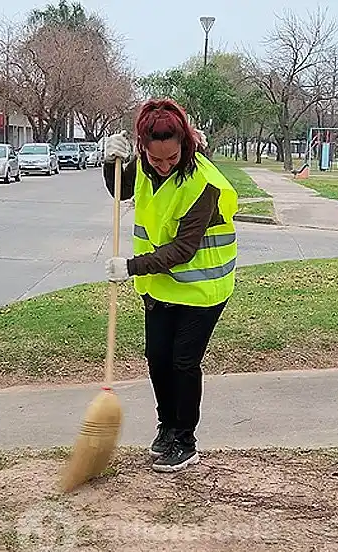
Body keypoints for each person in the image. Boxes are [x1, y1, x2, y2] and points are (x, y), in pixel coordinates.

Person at [101, 98, 238, 473]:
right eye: (155, 159)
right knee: (158, 359)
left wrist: (130, 267)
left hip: (203, 287)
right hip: (159, 286)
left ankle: (185, 438)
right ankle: (167, 427)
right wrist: (109, 161)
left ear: (186, 145)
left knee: (183, 362)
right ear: (143, 147)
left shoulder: (204, 184)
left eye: (171, 160)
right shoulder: (145, 164)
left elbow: (183, 249)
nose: (162, 166)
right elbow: (120, 190)